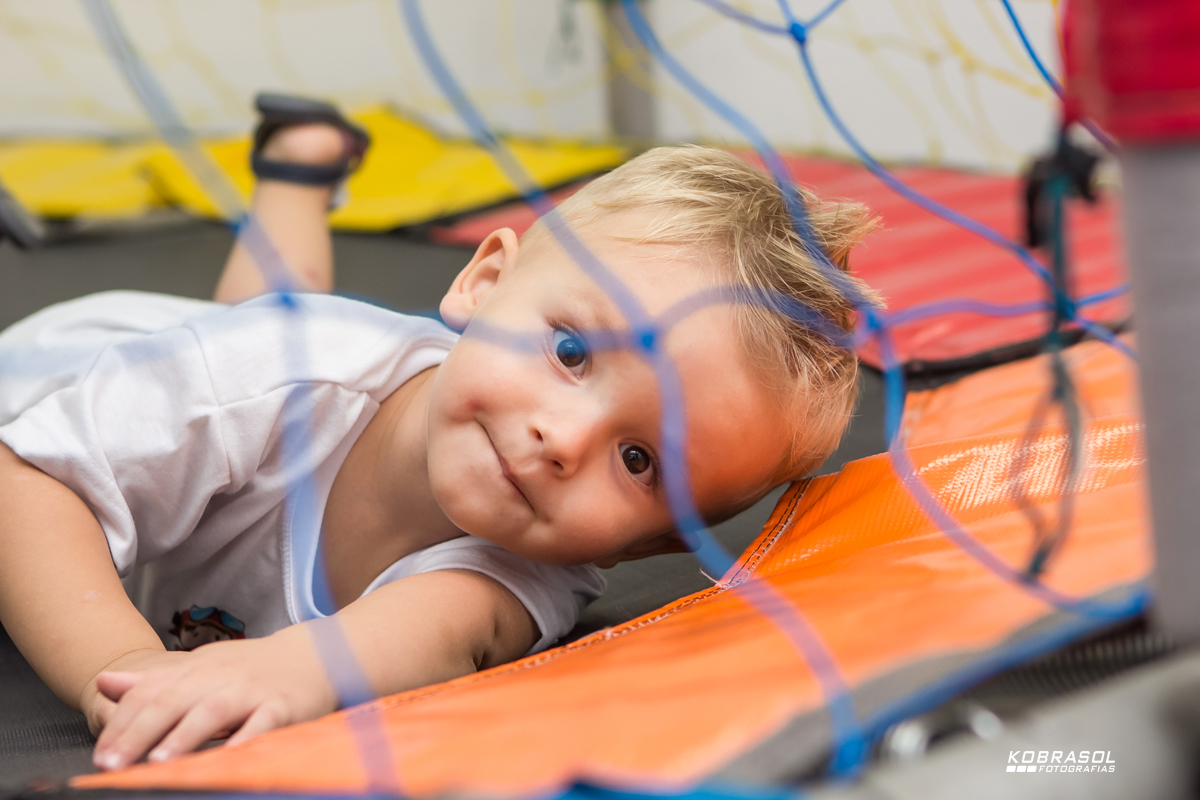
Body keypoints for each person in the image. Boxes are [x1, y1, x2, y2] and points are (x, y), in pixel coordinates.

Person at [0, 95, 877, 772]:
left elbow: (394, 642)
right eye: (572, 351)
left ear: (646, 542)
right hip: (65, 373)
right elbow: (25, 479)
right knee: (261, 334)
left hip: (250, 388)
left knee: (264, 337)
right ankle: (294, 184)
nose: (562, 440)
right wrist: (119, 664)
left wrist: (280, 674)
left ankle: (299, 162)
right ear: (483, 281)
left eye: (638, 460)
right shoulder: (269, 376)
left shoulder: (522, 578)